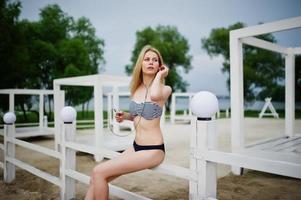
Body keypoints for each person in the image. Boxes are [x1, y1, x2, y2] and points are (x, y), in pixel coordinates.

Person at [85, 45, 172, 200]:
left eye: (155, 60)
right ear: (141, 64)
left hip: (153, 150)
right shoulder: (136, 88)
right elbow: (138, 116)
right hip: (135, 147)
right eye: (147, 59)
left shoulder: (165, 89)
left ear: (160, 65)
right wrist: (125, 116)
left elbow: (153, 96)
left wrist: (160, 75)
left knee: (99, 172)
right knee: (95, 178)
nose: (151, 62)